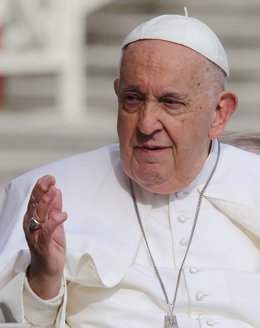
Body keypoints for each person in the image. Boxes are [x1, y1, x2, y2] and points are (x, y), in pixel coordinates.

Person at [0, 11, 260, 328]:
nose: (147, 124)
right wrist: (44, 278)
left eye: (171, 103)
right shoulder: (49, 197)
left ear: (220, 114)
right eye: (133, 99)